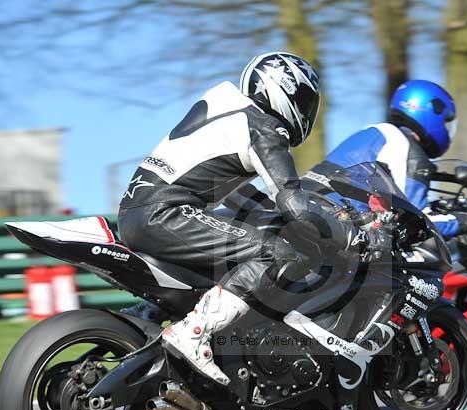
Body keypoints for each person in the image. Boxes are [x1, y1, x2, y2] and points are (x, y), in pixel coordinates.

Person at [118, 52, 389, 386]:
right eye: (303, 100)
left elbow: (238, 194)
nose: (306, 111)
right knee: (279, 253)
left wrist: (299, 214)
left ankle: (152, 319)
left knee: (237, 255)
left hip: (142, 211)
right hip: (166, 213)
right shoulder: (264, 128)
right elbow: (296, 207)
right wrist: (352, 235)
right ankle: (194, 333)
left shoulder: (226, 108)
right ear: (283, 89)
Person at [309, 79, 467, 237]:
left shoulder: (375, 132)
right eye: (446, 122)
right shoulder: (407, 148)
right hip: (334, 230)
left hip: (308, 210)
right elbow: (420, 221)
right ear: (431, 111)